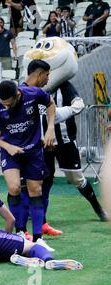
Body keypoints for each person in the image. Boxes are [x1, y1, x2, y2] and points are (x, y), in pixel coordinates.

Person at [22, 55, 109, 224]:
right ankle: (41, 216)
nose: (48, 78)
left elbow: (79, 105)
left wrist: (59, 114)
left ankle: (97, 207)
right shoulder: (28, 90)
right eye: (45, 74)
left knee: (76, 178)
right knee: (43, 178)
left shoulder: (64, 86)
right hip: (41, 143)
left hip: (65, 141)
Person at [0, 79, 57, 250]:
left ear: (17, 95)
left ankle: (38, 238)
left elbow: (50, 103)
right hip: (10, 151)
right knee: (14, 188)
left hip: (33, 151)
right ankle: (21, 232)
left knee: (35, 190)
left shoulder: (33, 94)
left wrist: (50, 127)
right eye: (4, 104)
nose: (6, 107)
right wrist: (6, 146)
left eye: (9, 104)